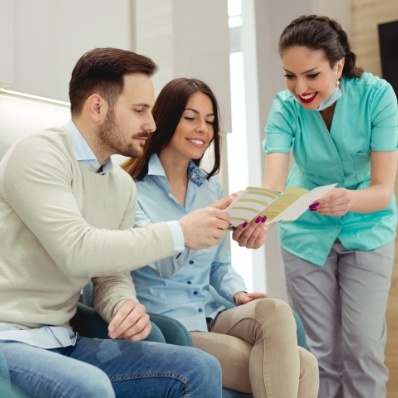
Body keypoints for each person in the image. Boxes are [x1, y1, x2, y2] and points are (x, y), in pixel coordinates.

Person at [0, 47, 231, 398]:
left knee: (198, 368)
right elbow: (77, 251)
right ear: (97, 107)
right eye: (139, 110)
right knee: (90, 387)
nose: (152, 125)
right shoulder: (38, 154)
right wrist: (179, 232)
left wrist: (122, 305)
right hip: (8, 338)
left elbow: (110, 274)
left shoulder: (120, 185)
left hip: (64, 338)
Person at [123, 77, 320, 398]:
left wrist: (238, 293)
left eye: (210, 121)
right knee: (304, 366)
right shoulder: (130, 189)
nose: (202, 128)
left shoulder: (210, 188)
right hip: (169, 323)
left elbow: (219, 266)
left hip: (211, 310)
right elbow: (162, 266)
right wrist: (200, 223)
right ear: (166, 119)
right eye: (191, 118)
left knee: (276, 311)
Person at [260, 15, 398, 398]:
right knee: (318, 355)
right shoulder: (285, 107)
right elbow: (273, 183)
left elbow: (383, 190)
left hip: (367, 227)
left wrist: (348, 200)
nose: (299, 88)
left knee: (364, 351)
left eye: (311, 75)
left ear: (339, 65)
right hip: (305, 231)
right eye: (290, 75)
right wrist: (258, 219)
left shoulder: (377, 96)